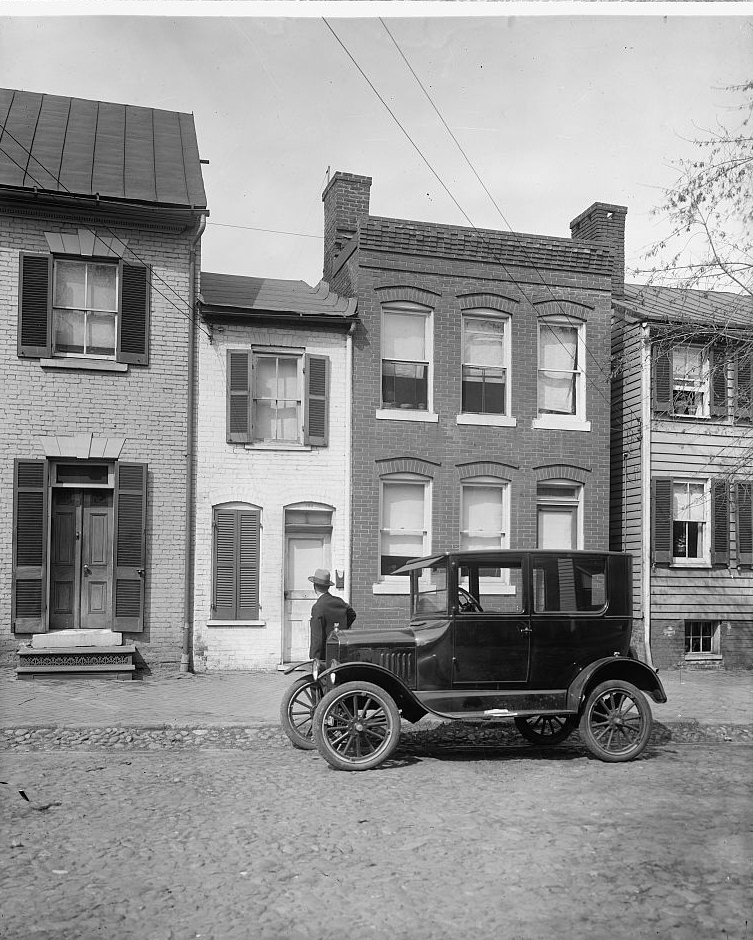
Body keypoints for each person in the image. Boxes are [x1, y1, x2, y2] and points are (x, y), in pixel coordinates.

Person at [308, 568, 356, 662]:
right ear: (328, 586)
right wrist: (343, 626)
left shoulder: (318, 607)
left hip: (324, 655)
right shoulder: (340, 602)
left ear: (315, 586)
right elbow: (352, 614)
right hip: (341, 650)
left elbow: (317, 637)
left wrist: (314, 657)